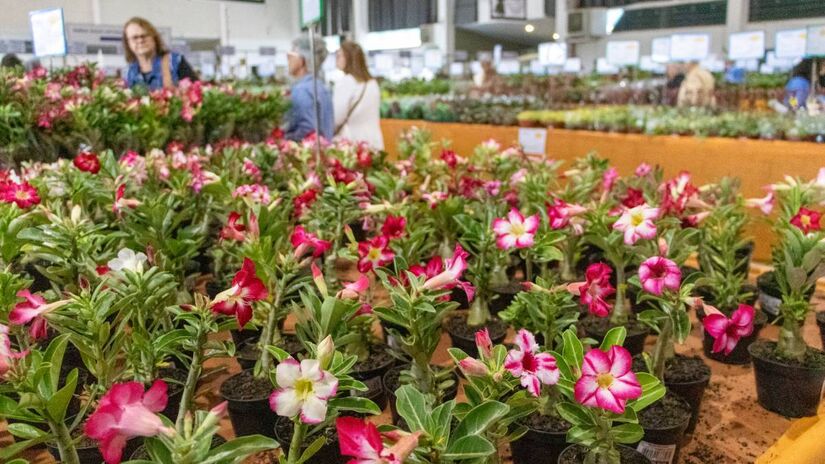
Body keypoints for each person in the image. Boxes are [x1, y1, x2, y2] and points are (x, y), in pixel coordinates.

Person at [122, 17, 198, 90]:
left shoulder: (175, 62)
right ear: (128, 43)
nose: (140, 40)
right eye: (135, 38)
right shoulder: (128, 72)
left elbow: (196, 91)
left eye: (144, 36)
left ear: (154, 37)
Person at [333, 41, 383, 149]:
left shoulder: (346, 82)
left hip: (354, 144)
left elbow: (336, 118)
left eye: (340, 55)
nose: (336, 58)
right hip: (374, 141)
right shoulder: (372, 83)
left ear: (349, 58)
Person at [285, 36, 334, 142]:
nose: (288, 61)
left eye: (290, 57)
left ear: (302, 60)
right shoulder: (321, 87)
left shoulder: (301, 90)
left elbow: (308, 128)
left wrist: (286, 139)